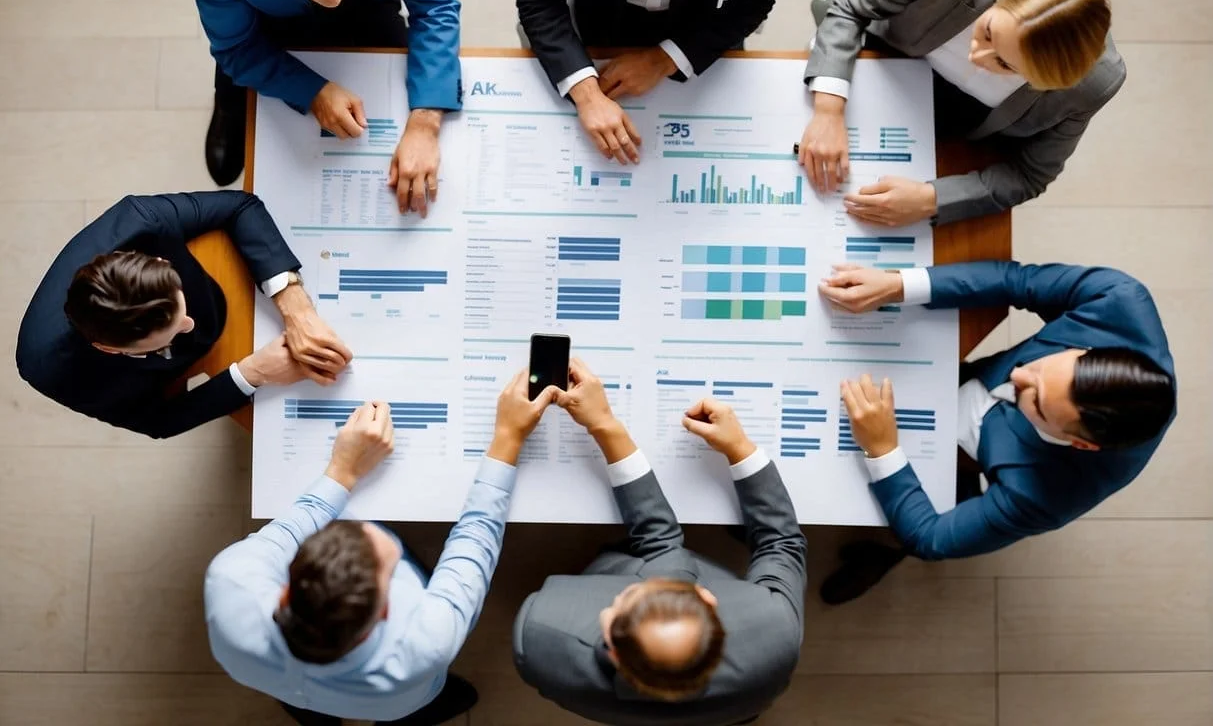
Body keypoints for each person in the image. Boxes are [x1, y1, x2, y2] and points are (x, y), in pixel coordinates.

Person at [205, 372, 559, 725]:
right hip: (400, 700)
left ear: (285, 592)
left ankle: (313, 712)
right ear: (386, 611)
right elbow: (476, 542)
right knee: (417, 705)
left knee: (311, 708)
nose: (370, 527)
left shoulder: (230, 582)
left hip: (272, 677)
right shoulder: (428, 641)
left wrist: (343, 469)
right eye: (392, 564)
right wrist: (509, 437)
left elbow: (287, 529)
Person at [817, 260, 1176, 603]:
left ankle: (885, 553)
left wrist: (882, 450)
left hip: (965, 458)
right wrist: (900, 285)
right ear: (1084, 350)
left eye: (1035, 402)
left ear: (1079, 443)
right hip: (946, 375)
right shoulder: (1117, 299)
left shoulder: (1049, 495)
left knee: (909, 525)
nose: (1016, 375)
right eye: (1042, 368)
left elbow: (931, 537)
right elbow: (1015, 281)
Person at [513, 358, 807, 725]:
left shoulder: (540, 635)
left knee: (647, 559)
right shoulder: (775, 635)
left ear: (613, 650)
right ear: (707, 598)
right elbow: (781, 543)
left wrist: (604, 425)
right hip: (733, 707)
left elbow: (666, 556)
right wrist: (741, 449)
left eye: (624, 597)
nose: (626, 591)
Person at [799, 0, 1125, 226]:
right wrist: (828, 111)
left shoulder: (1092, 86)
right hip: (887, 56)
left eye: (1005, 64)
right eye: (988, 33)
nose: (977, 57)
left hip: (965, 129)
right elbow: (852, 6)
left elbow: (1029, 174)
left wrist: (930, 200)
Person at [189, 0, 461, 216]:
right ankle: (229, 107)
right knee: (237, 84)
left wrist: (426, 121)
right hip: (264, 21)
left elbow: (435, 4)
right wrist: (312, 92)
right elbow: (236, 46)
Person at [15, 192, 350, 439]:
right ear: (109, 349)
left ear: (160, 263)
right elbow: (156, 421)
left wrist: (297, 309)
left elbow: (239, 206)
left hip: (228, 292)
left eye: (180, 306)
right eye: (169, 334)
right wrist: (253, 372)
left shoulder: (142, 220)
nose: (190, 325)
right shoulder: (54, 374)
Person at [517, 0, 774, 165]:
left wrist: (665, 59)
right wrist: (587, 95)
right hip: (599, 31)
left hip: (700, 34)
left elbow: (751, 2)